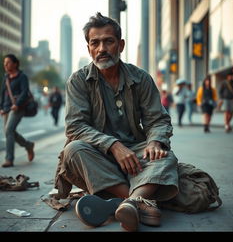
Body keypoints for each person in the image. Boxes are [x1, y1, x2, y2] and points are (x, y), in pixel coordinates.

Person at [54, 12, 178, 232]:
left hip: (136, 152)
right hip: (98, 154)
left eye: (108, 41)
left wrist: (154, 142)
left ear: (120, 45)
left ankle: (126, 203)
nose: (102, 48)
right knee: (72, 150)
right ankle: (140, 201)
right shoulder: (78, 81)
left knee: (165, 156)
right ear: (89, 48)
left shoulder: (141, 78)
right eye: (95, 43)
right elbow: (75, 127)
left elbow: (157, 119)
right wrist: (113, 145)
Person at [0, 54, 35, 167]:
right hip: (6, 108)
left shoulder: (22, 76)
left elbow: (25, 92)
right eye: (5, 63)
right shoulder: (5, 77)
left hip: (17, 108)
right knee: (9, 132)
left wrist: (17, 104)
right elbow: (2, 93)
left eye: (8, 62)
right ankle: (28, 145)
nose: (5, 65)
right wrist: (1, 107)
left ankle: (9, 159)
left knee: (9, 130)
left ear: (15, 64)